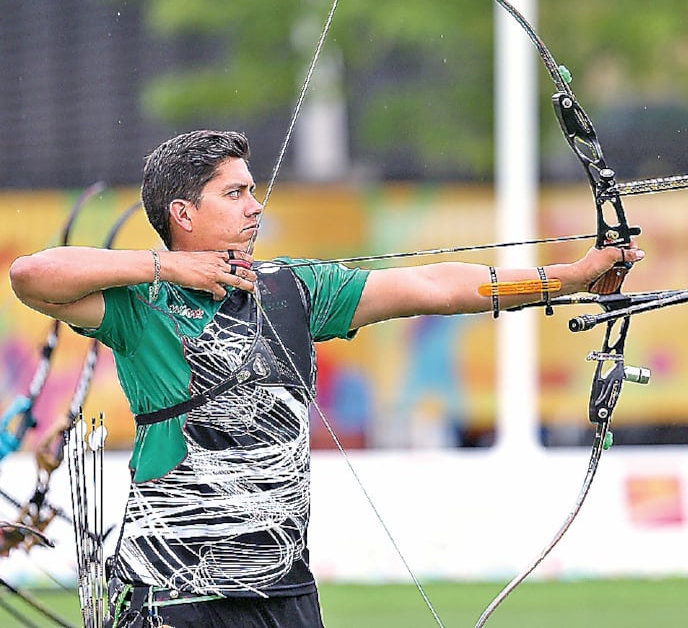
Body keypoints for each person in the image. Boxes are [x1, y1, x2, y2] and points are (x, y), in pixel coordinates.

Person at [8, 129, 643, 628]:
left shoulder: (295, 290)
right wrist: (167, 269)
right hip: (173, 590)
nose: (255, 207)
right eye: (234, 194)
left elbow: (428, 286)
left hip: (282, 587)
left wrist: (564, 279)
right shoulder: (139, 306)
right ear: (183, 213)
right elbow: (31, 275)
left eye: (253, 191)